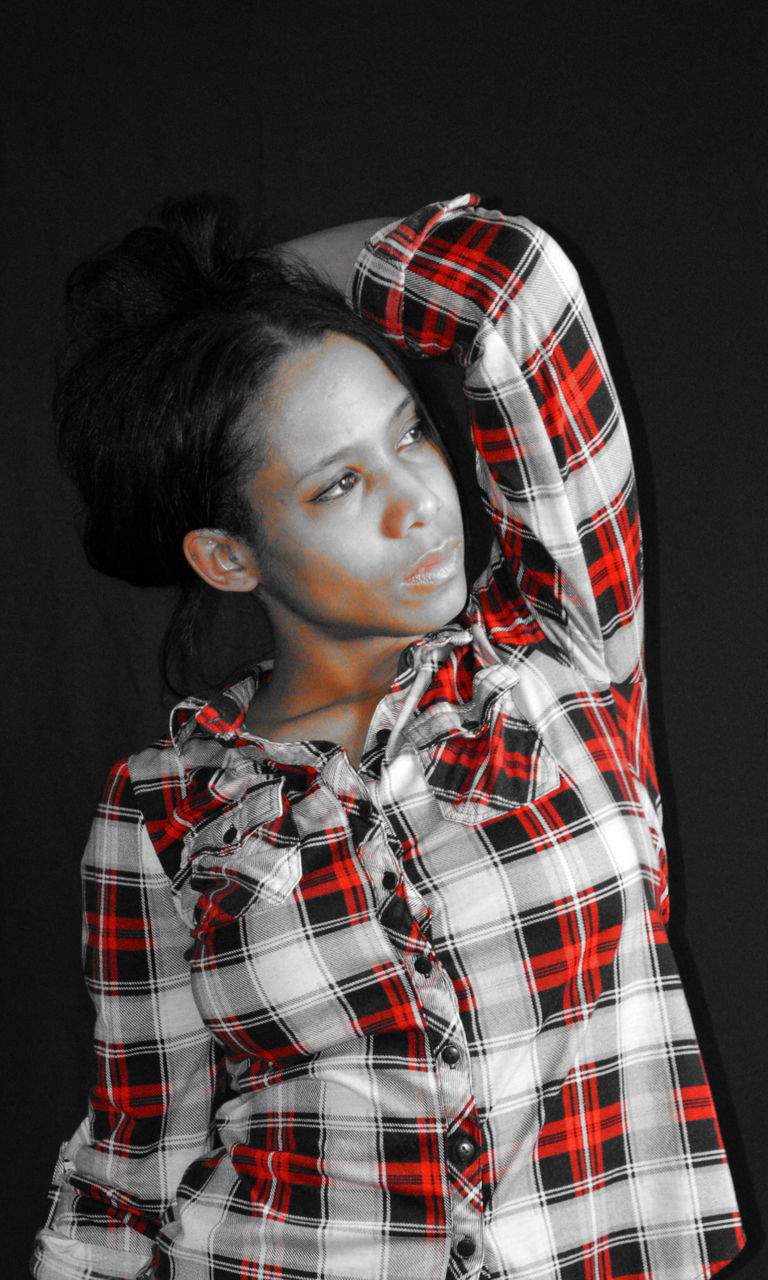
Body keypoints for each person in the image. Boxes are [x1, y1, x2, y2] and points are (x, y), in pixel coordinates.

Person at [32, 193, 744, 1280]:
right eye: (340, 484)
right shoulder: (159, 807)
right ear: (230, 558)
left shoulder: (554, 647)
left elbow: (509, 281)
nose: (419, 501)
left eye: (409, 430)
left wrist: (229, 301)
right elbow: (135, 1158)